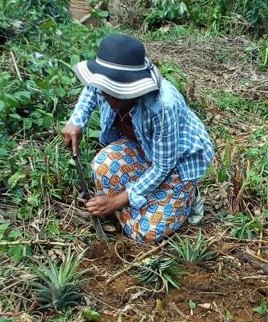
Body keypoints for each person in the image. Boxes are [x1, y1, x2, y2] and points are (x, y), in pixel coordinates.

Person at [62, 33, 214, 243]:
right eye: (106, 91)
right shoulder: (104, 87)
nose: (108, 97)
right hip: (144, 148)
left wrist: (115, 202)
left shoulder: (162, 106)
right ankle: (138, 203)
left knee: (147, 232)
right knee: (101, 166)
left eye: (116, 93)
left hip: (178, 164)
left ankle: (188, 196)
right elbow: (92, 89)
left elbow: (163, 166)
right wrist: (76, 121)